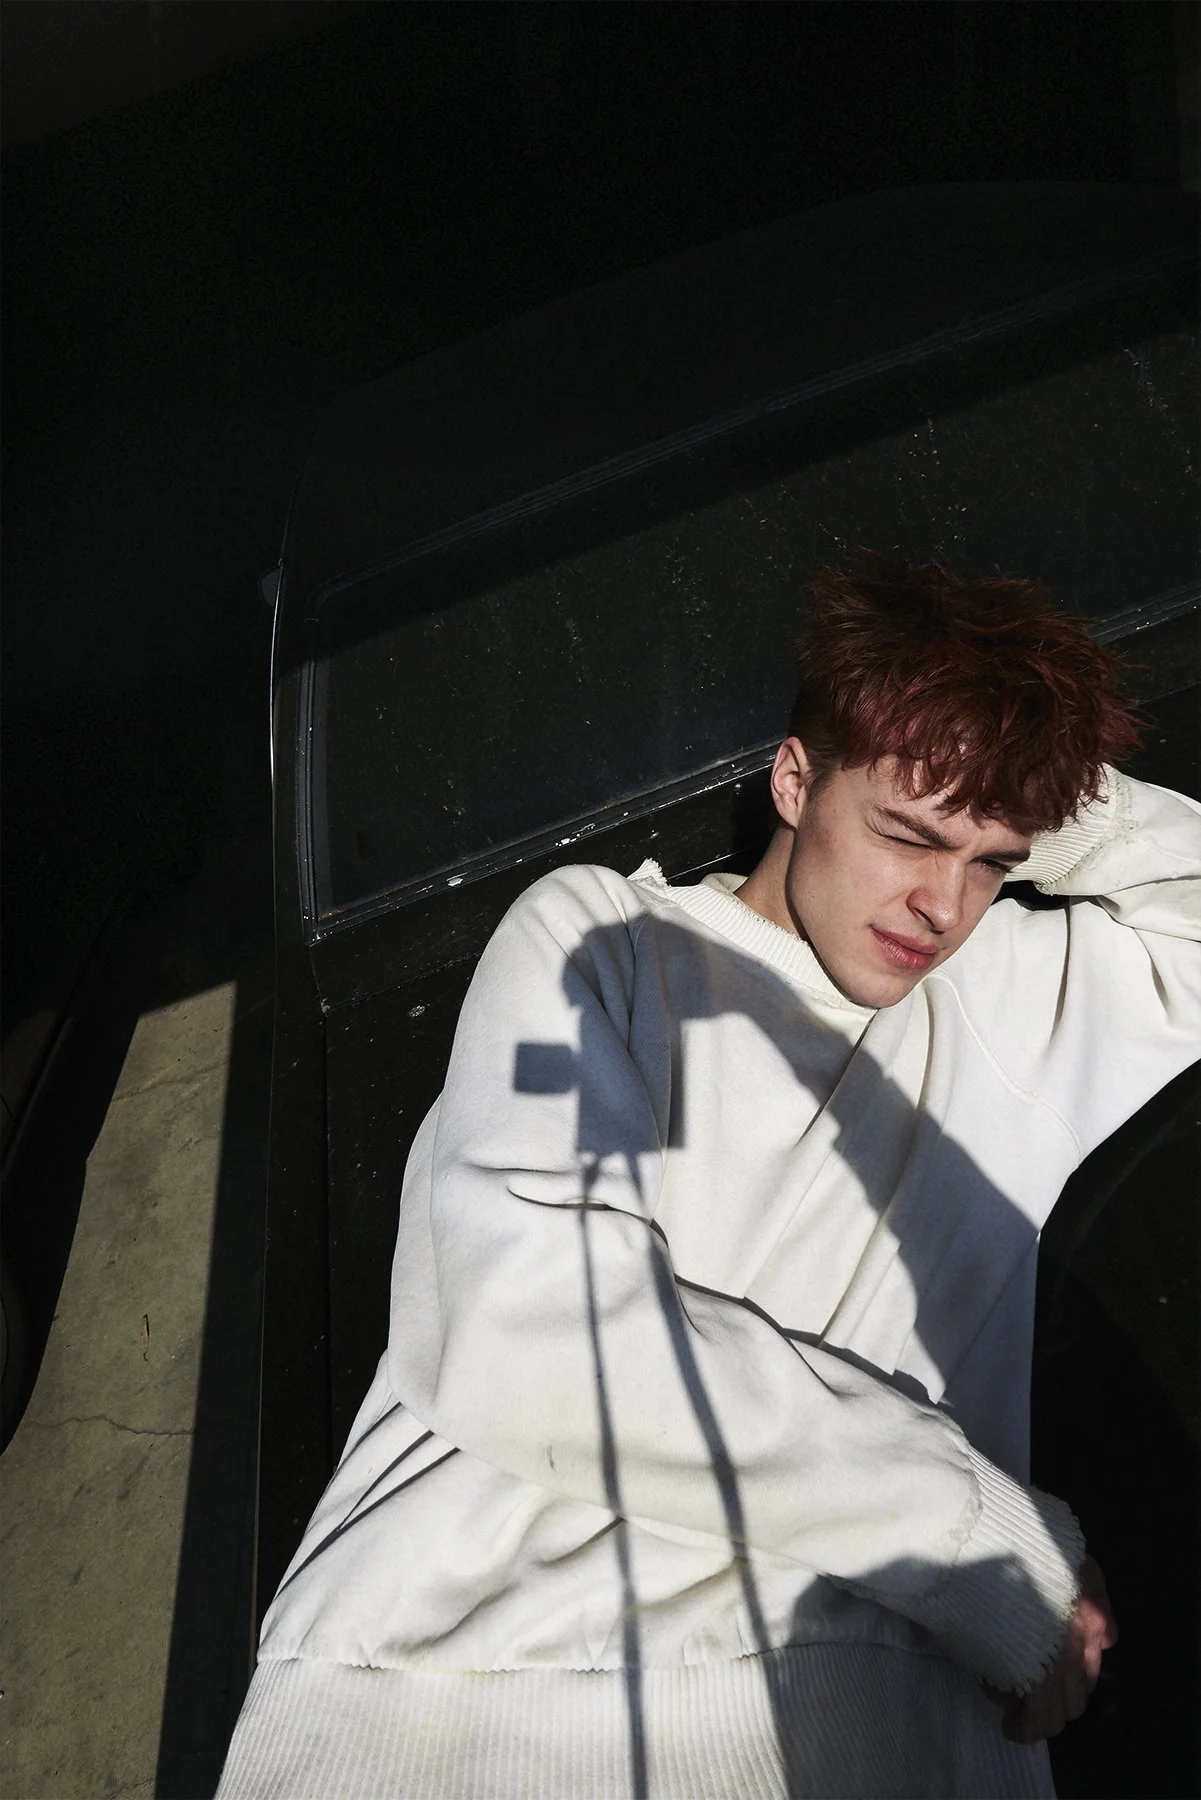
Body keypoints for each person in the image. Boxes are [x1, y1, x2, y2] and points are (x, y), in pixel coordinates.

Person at [218, 557, 1200, 1800]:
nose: (940, 903)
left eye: (993, 859)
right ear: (794, 779)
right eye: (905, 832)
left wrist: (1026, 776)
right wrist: (974, 1538)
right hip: (467, 1706)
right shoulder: (608, 943)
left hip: (874, 1730)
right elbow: (531, 1321)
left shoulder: (1003, 999)